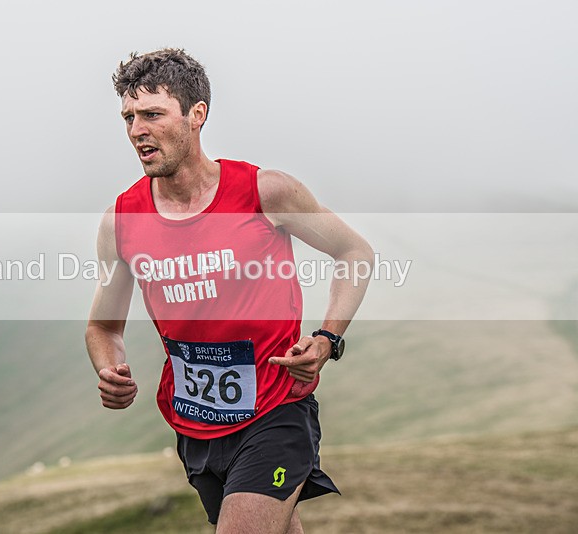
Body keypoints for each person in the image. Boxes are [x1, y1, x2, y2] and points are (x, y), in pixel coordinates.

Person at [85, 48, 373, 534]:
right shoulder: (122, 219)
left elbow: (355, 254)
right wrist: (108, 367)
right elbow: (102, 326)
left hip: (276, 411)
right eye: (129, 117)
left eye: (153, 114)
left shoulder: (266, 192)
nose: (137, 130)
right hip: (195, 423)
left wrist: (327, 339)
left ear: (197, 114)